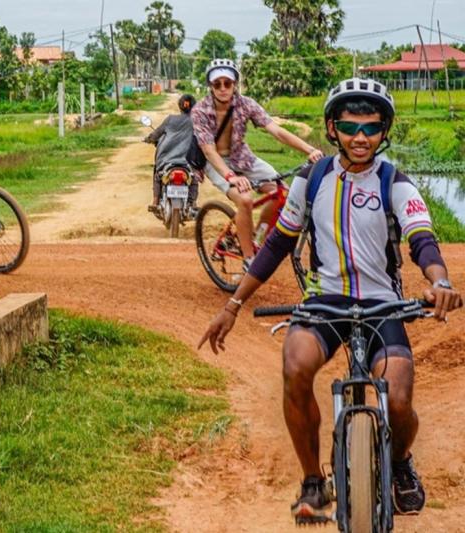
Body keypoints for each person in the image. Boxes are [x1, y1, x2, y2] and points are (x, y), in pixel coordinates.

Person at [198, 77, 462, 522]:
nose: (361, 138)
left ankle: (399, 464)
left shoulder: (396, 182)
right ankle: (311, 481)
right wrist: (232, 305)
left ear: (385, 131)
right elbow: (278, 244)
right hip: (325, 301)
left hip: (383, 304)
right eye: (349, 126)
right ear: (331, 128)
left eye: (372, 128)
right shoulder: (311, 178)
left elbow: (424, 242)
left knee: (398, 401)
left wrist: (440, 281)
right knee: (295, 366)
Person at [192, 58, 324, 271]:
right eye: (217, 84)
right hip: (216, 162)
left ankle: (257, 237)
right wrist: (230, 177)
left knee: (283, 192)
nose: (223, 88)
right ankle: (249, 259)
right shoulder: (200, 111)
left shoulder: (246, 104)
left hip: (242, 157)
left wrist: (310, 150)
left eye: (228, 83)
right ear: (210, 86)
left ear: (235, 84)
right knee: (244, 199)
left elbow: (277, 131)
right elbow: (209, 150)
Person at [144, 94, 201, 215]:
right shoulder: (197, 122)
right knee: (194, 177)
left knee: (158, 175)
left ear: (180, 107)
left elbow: (156, 134)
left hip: (167, 160)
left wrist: (149, 139)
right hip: (188, 161)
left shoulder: (170, 119)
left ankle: (155, 201)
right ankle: (193, 203)